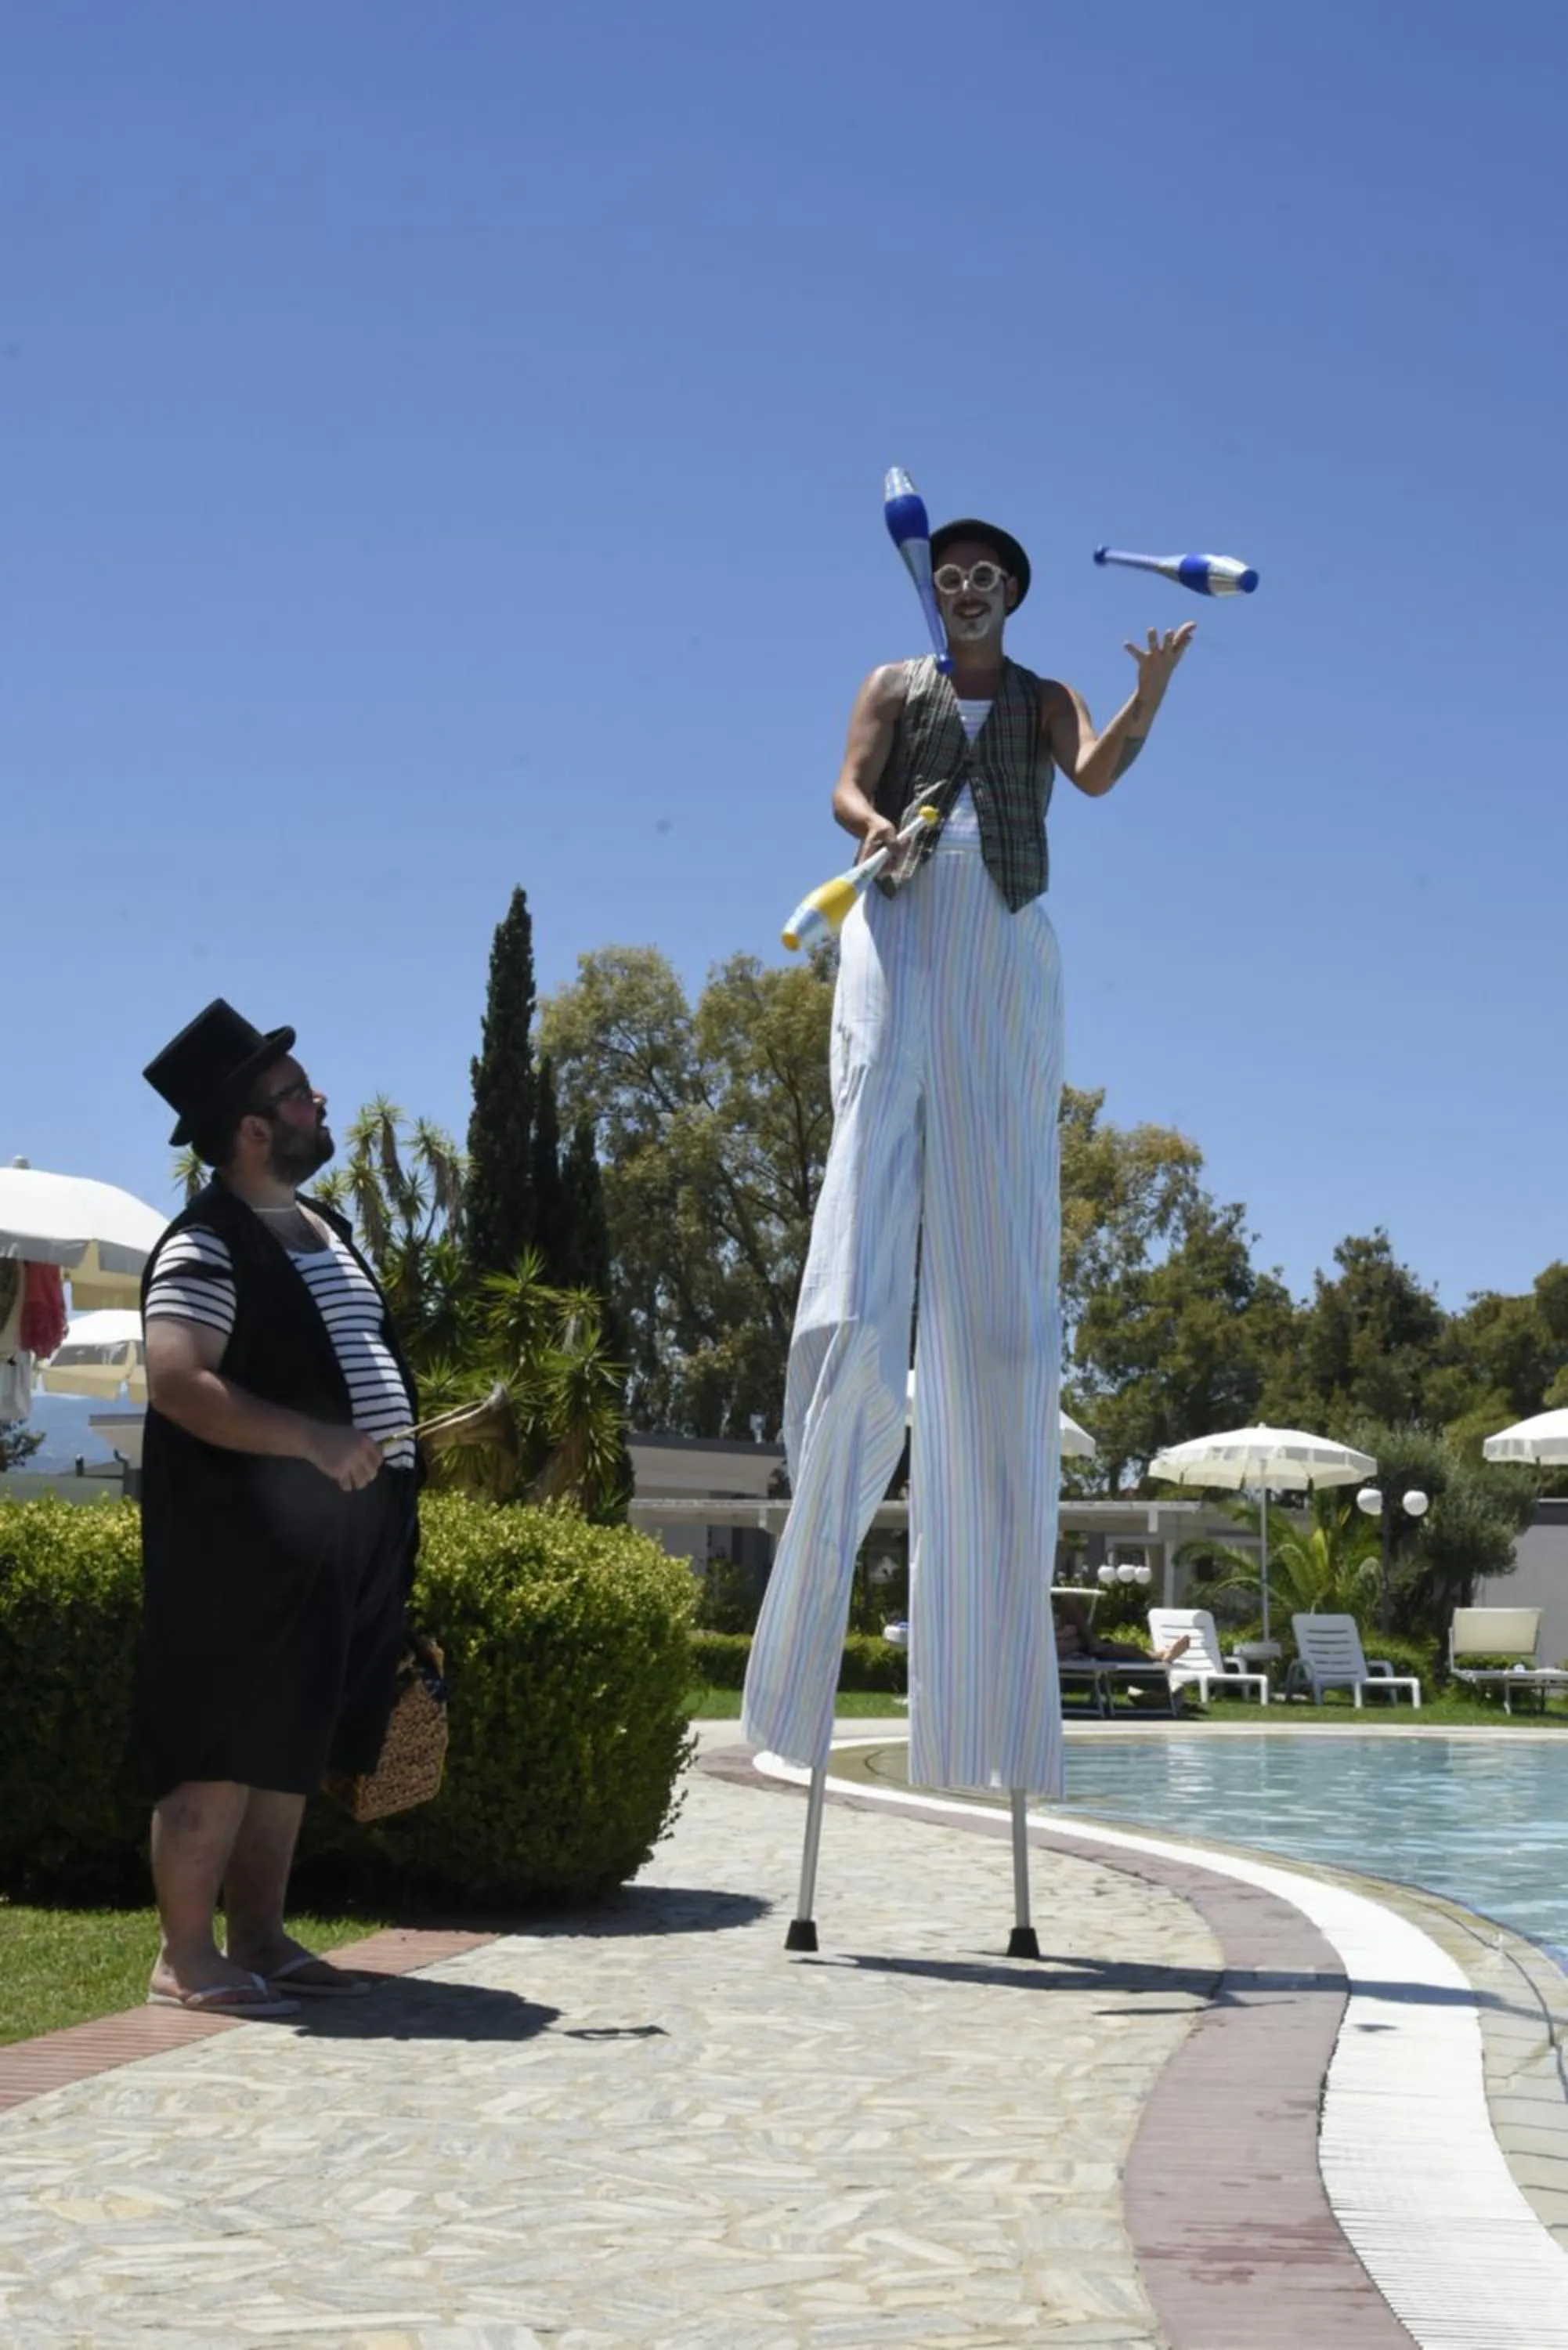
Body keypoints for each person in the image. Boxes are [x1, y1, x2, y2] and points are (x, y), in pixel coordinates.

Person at [742, 518, 1193, 1798]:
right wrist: (872, 826)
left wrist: (1148, 695)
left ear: (1012, 594)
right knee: (867, 1226)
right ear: (936, 591)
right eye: (951, 576)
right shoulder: (894, 684)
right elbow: (841, 784)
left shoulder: (1047, 696)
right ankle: (803, 1633)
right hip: (898, 918)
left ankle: (985, 1720)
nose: (967, 589)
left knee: (996, 1306)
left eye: (987, 577)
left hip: (1003, 936)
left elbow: (1094, 778)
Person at [135, 999, 421, 2015]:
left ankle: (258, 1936)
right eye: (297, 1094)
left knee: (289, 1746)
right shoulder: (204, 1245)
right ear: (253, 1129)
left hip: (342, 1536)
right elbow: (177, 1383)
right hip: (239, 1546)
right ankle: (183, 1957)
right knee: (218, 1746)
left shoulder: (325, 1229)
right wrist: (311, 1439)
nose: (317, 1101)